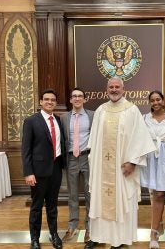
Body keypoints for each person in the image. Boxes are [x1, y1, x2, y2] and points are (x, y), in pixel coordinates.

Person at [84, 77, 157, 249]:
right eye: (111, 87)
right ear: (106, 89)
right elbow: (93, 141)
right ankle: (98, 236)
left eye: (117, 87)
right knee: (100, 200)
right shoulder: (101, 110)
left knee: (122, 201)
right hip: (102, 168)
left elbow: (140, 140)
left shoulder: (132, 110)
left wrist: (133, 162)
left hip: (123, 168)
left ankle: (120, 239)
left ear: (123, 89)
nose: (114, 90)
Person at [21, 89, 65, 249]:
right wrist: (28, 172)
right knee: (37, 206)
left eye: (53, 100)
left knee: (53, 205)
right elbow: (25, 149)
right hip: (37, 172)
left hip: (56, 169)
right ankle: (34, 239)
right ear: (40, 101)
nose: (50, 102)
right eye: (46, 99)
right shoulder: (31, 121)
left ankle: (54, 235)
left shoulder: (59, 120)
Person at [140, 91, 165, 249]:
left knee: (161, 194)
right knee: (154, 194)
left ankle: (154, 232)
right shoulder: (144, 118)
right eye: (152, 100)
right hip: (150, 157)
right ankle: (157, 225)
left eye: (158, 99)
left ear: (163, 100)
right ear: (150, 102)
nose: (155, 102)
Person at [60, 88, 94, 243]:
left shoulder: (92, 116)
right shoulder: (64, 118)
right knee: (72, 194)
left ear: (85, 99)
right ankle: (72, 226)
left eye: (80, 96)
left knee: (89, 193)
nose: (77, 98)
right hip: (71, 159)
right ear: (71, 100)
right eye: (74, 96)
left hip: (88, 157)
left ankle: (89, 227)